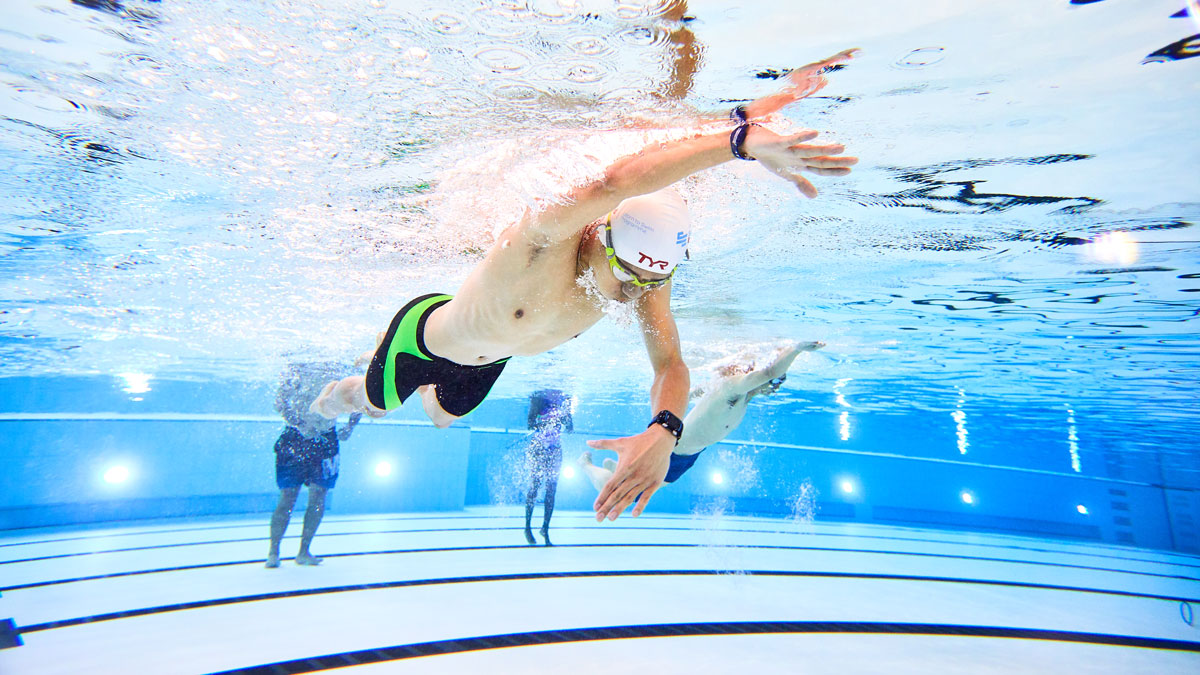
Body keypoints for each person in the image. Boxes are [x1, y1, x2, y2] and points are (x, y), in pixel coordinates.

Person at [311, 49, 859, 522]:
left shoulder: (644, 277)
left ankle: (411, 386)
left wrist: (664, 429)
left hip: (491, 356)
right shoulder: (542, 240)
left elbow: (670, 364)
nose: (638, 289)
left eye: (656, 277)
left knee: (440, 418)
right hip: (426, 340)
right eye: (630, 272)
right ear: (601, 234)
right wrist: (740, 140)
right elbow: (614, 181)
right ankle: (333, 395)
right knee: (372, 404)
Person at [579, 341, 823, 490]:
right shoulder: (731, 387)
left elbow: (766, 378)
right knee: (619, 492)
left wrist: (767, 384)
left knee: (639, 488)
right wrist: (796, 349)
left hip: (689, 454)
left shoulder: (738, 393)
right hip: (674, 453)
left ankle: (618, 468)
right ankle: (586, 465)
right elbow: (769, 372)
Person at [267, 362, 362, 568]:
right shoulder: (296, 368)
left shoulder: (340, 368)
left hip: (324, 438)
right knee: (288, 496)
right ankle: (274, 552)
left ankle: (303, 551)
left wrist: (350, 427)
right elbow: (281, 403)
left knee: (317, 496)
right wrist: (299, 424)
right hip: (295, 437)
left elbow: (360, 398)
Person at [523, 389, 573, 546]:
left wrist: (565, 412)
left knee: (551, 490)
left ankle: (545, 528)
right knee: (535, 486)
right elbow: (530, 424)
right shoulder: (538, 398)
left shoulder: (564, 399)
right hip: (538, 447)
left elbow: (570, 428)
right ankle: (527, 526)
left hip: (555, 449)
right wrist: (546, 421)